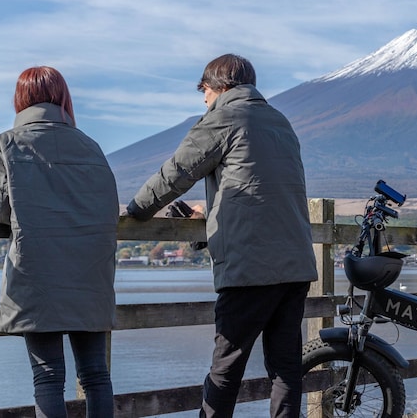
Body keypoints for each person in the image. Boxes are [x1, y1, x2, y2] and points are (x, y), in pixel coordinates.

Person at [125, 54, 318, 418]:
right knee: (285, 368)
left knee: (227, 367)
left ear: (218, 86)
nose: (203, 100)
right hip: (295, 265)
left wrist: (135, 210)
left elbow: (177, 172)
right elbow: (260, 188)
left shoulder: (223, 117)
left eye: (204, 91)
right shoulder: (280, 121)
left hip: (249, 266)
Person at [0, 66, 118, 418]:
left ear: (21, 100)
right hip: (90, 275)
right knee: (96, 375)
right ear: (63, 98)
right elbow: (110, 207)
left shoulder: (6, 143)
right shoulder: (91, 146)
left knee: (49, 377)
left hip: (36, 273)